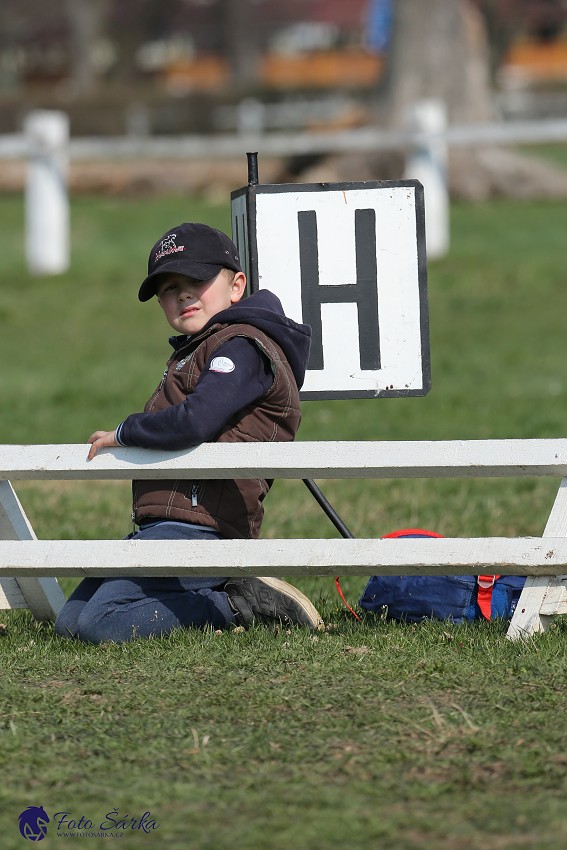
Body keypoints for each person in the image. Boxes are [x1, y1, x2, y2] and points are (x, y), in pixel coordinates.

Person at [54, 222, 322, 643]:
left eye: (196, 280)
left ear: (236, 286)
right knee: (71, 621)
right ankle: (222, 590)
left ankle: (237, 605)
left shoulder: (243, 346)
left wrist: (126, 432)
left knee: (100, 624)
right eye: (167, 288)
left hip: (205, 528)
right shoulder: (200, 348)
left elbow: (198, 419)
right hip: (167, 526)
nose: (181, 294)